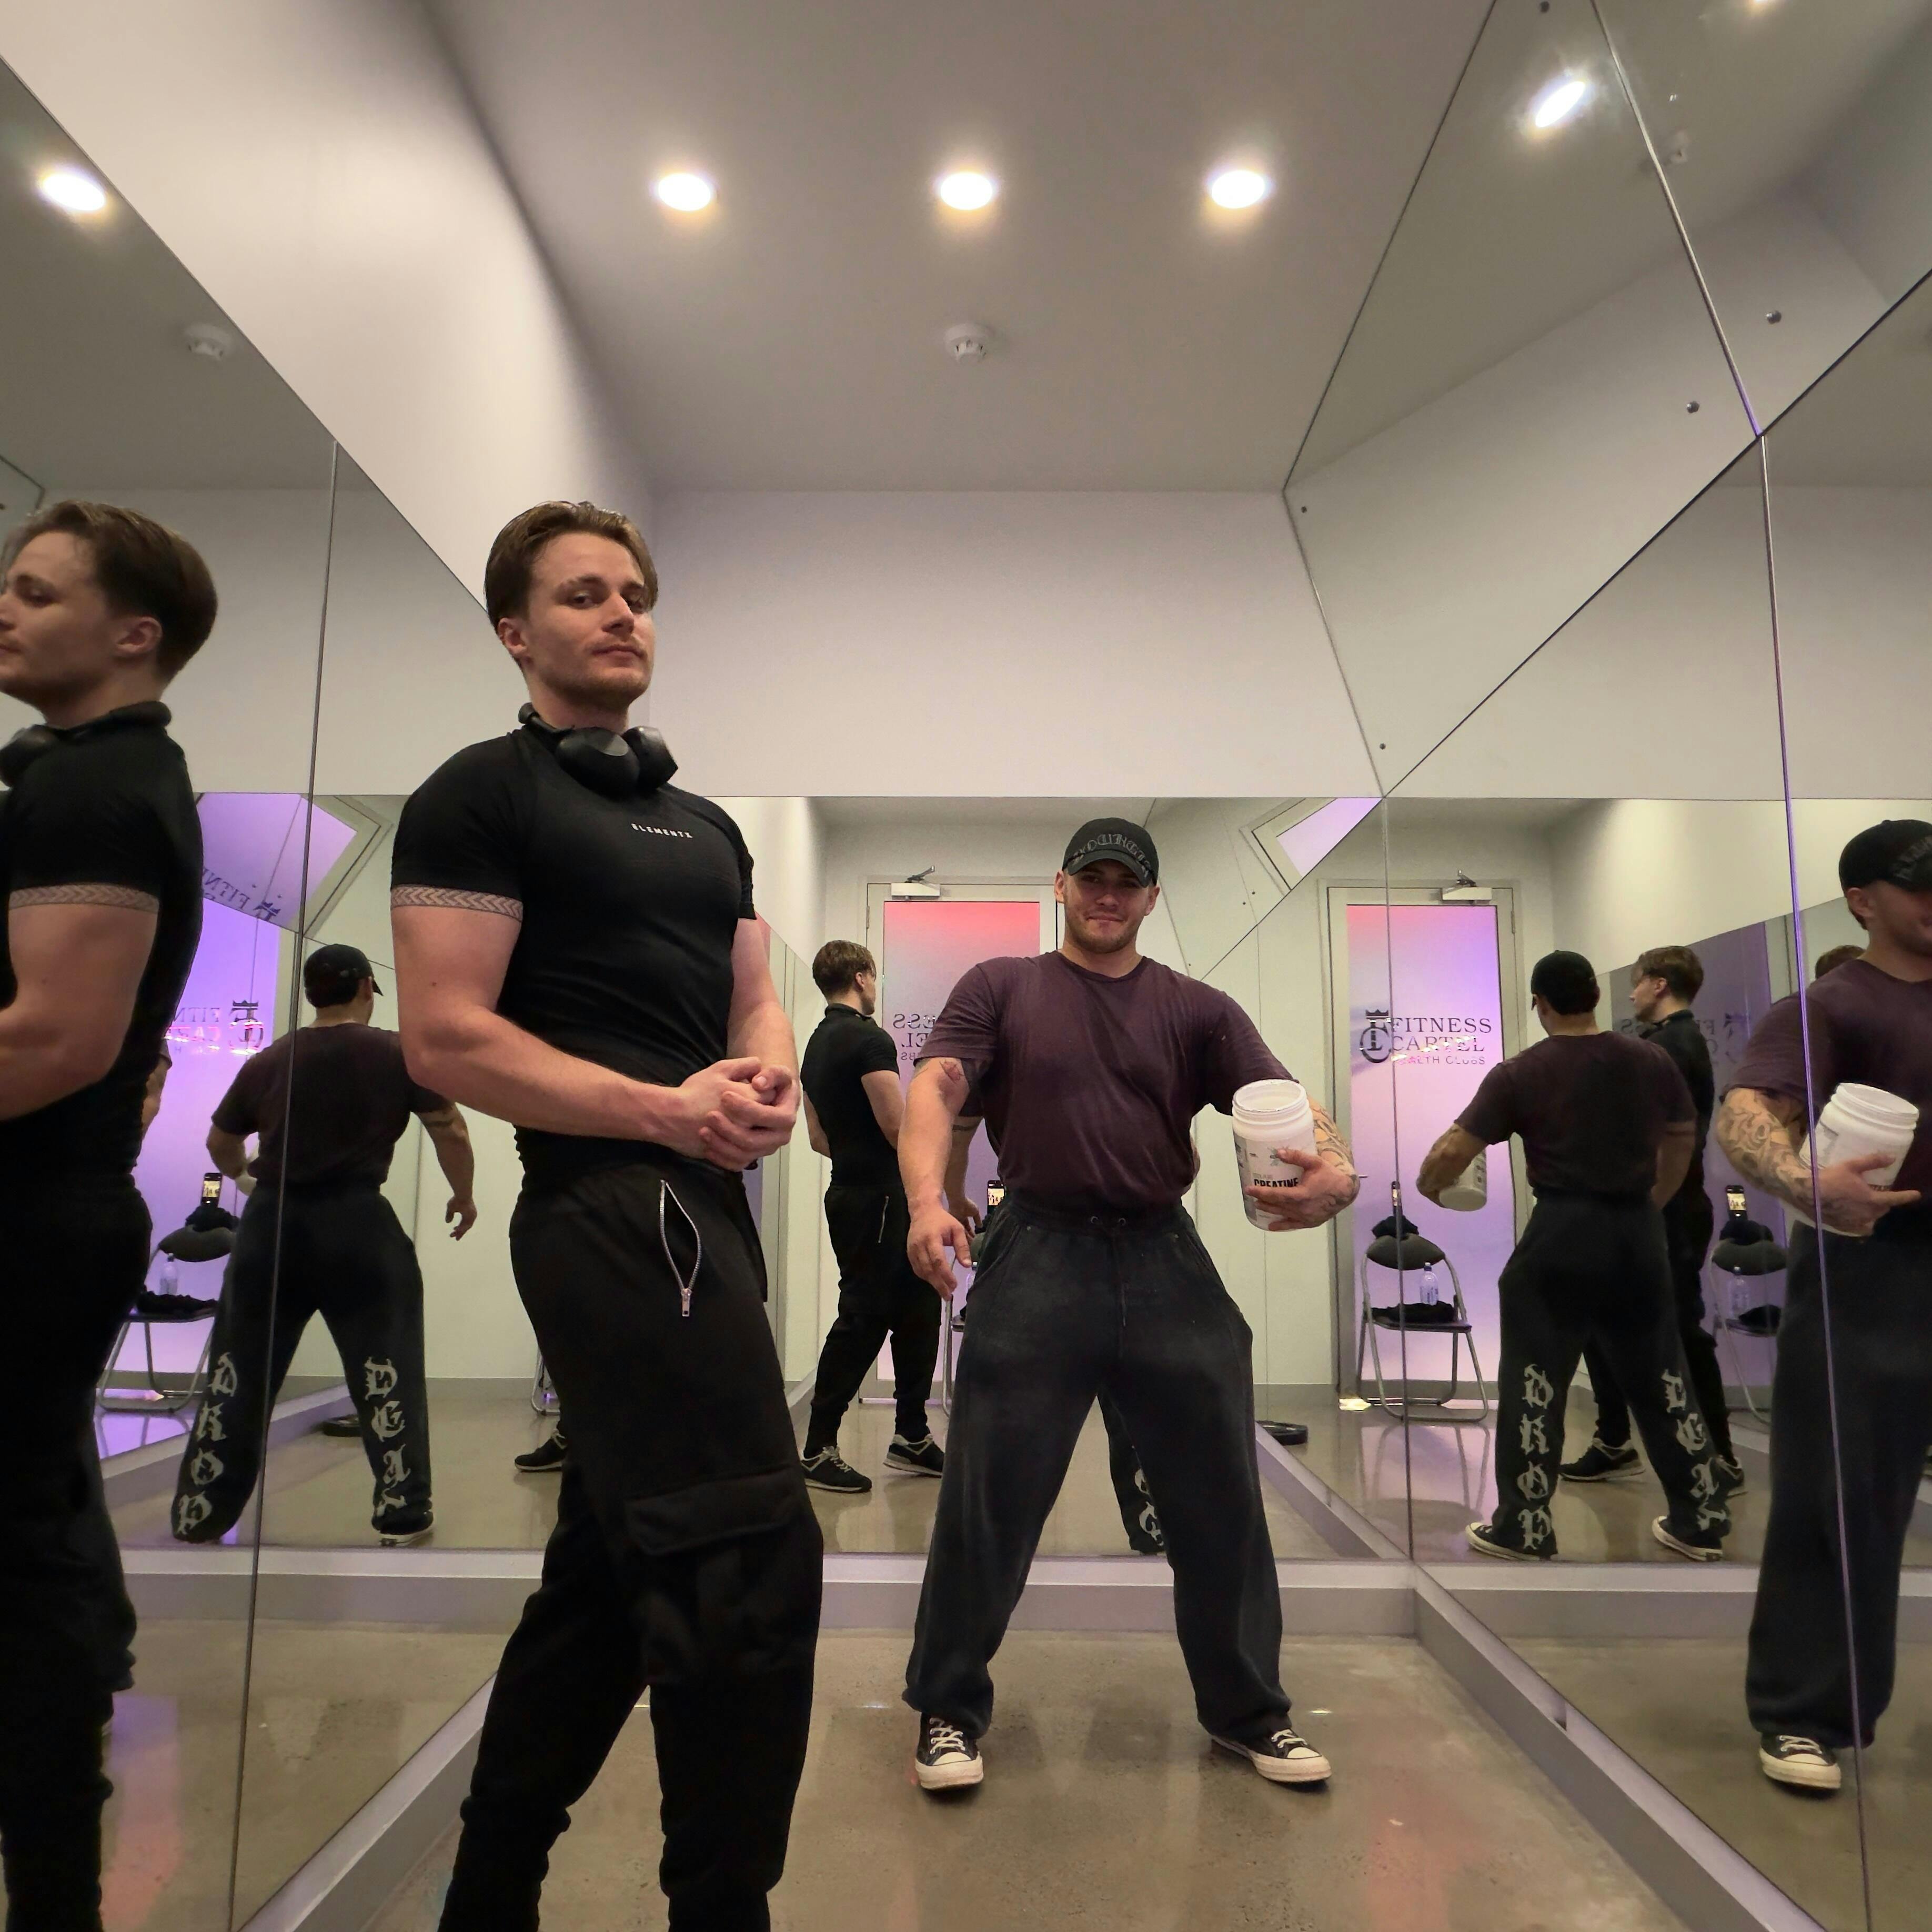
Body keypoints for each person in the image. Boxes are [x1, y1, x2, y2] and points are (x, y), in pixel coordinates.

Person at [388, 500, 820, 1931]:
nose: (623, 612)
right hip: (604, 1202)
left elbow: (754, 992)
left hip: (706, 1205)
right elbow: (446, 1037)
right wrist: (663, 1111)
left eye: (634, 592)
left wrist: (762, 1073)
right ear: (515, 631)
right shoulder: (477, 796)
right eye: (584, 593)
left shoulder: (706, 826)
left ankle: (487, 1891)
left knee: (607, 1576)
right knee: (747, 1558)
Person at [899, 818, 1356, 1792]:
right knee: (989, 1497)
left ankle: (1249, 1714)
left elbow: (1282, 1099)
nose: (1108, 894)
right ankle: (947, 1707)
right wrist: (927, 1200)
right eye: (1092, 877)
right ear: (1061, 885)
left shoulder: (1196, 1008)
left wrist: (1338, 1171)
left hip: (1161, 1256)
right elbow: (938, 1085)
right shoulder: (1001, 986)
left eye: (1127, 882)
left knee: (1221, 1498)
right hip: (1038, 1250)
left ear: (1151, 898)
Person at [0, 500, 214, 1928]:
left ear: (133, 634)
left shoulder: (96, 789)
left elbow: (56, 1040)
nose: (3, 608)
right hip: (50, 1207)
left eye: (34, 590)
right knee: (38, 1538)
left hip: (32, 1214)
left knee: (22, 1561)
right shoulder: (74, 775)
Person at [1718, 820, 1930, 1794]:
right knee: (1839, 1495)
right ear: (1862, 901)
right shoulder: (1829, 1007)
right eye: (1917, 885)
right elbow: (1747, 1115)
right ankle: (1805, 1712)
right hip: (1872, 1264)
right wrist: (1805, 1182)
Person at [1417, 949, 1732, 1565]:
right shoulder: (1652, 1059)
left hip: (1562, 1231)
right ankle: (1702, 1517)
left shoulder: (1521, 1072)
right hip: (1637, 1234)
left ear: (1540, 1004)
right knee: (1663, 1376)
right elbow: (1681, 1137)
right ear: (1594, 996)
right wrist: (1651, 1200)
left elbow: (1454, 1150)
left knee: (1535, 1379)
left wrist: (1431, 1187)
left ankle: (1526, 1525)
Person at [170, 943, 476, 1547]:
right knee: (386, 1367)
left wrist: (247, 1181)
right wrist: (462, 1194)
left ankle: (199, 1515)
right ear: (365, 988)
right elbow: (450, 1128)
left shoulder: (270, 1060)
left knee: (238, 1372)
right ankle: (402, 1513)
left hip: (271, 1228)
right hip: (357, 1225)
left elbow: (220, 1143)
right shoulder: (397, 1054)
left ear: (312, 993)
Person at [1561, 945, 1743, 1491]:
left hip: (1667, 1209)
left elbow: (1653, 1136)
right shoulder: (1669, 1044)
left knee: (1681, 1330)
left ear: (1659, 984)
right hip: (1661, 1206)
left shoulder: (1668, 1048)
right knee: (1603, 1318)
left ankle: (1718, 1457)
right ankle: (1617, 1439)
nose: (1633, 992)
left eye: (1638, 982)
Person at [797, 940, 945, 1492]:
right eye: (874, 978)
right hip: (882, 1199)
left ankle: (912, 1435)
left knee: (919, 1303)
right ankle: (817, 1448)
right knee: (864, 1314)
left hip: (853, 1193)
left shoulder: (815, 1046)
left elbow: (818, 1138)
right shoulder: (869, 1038)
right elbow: (896, 1125)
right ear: (862, 977)